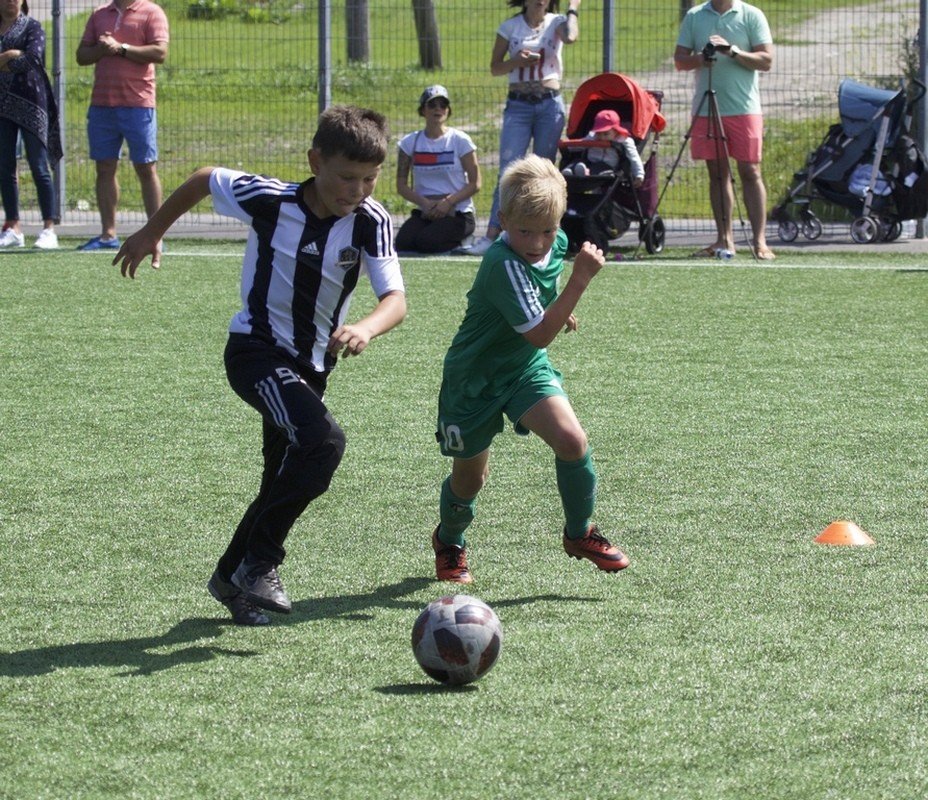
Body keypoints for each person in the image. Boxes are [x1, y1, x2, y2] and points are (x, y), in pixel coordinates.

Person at [112, 106, 407, 625]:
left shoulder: (371, 221)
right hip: (256, 351)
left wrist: (366, 326)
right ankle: (262, 563)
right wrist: (152, 230)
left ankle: (231, 577)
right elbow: (204, 178)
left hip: (311, 369)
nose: (357, 190)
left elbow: (395, 301)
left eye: (369, 178)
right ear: (315, 161)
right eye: (346, 177)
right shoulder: (270, 199)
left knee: (282, 479)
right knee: (324, 442)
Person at [431, 154, 629, 584]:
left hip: (523, 368)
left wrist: (553, 306)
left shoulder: (553, 241)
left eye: (548, 230)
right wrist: (579, 282)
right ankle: (449, 540)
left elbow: (540, 301)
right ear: (502, 221)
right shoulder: (502, 263)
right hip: (474, 380)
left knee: (572, 440)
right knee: (470, 481)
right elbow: (539, 334)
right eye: (525, 231)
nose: (538, 242)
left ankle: (580, 533)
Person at [469, 0, 581, 256]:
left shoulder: (557, 22)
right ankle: (492, 235)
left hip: (549, 104)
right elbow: (495, 67)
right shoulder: (510, 27)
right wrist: (516, 61)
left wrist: (573, 7)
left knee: (545, 172)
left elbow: (571, 37)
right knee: (507, 170)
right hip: (518, 105)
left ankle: (545, 235)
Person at [674, 0, 775, 260]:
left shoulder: (751, 15)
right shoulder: (695, 16)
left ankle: (760, 241)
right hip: (706, 108)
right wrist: (701, 59)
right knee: (718, 174)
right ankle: (725, 240)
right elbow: (680, 60)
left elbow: (766, 60)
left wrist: (732, 52)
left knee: (750, 171)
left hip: (744, 108)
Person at [76, 0, 168, 261]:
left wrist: (121, 48)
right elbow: (82, 56)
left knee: (146, 168)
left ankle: (155, 235)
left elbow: (160, 52)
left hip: (139, 105)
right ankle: (108, 234)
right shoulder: (99, 15)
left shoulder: (151, 12)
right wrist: (101, 49)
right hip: (102, 104)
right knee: (105, 168)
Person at [0, 0, 61, 249]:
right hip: (2, 106)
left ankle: (49, 229)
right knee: (5, 167)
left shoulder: (33, 27)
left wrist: (7, 59)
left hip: (32, 104)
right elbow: (21, 59)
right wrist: (12, 54)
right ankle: (13, 227)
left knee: (39, 166)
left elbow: (33, 59)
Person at [395, 85, 481, 253]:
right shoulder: (409, 143)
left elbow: (475, 183)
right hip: (425, 211)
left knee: (427, 242)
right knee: (403, 243)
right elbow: (401, 186)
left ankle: (463, 242)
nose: (438, 109)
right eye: (432, 105)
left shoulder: (461, 140)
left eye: (443, 105)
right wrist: (425, 204)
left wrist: (447, 203)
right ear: (423, 110)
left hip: (457, 213)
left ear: (448, 110)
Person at [561, 109, 644, 186]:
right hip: (590, 161)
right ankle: (568, 171)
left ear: (616, 131)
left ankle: (585, 173)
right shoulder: (592, 137)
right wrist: (567, 146)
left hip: (607, 166)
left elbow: (634, 157)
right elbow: (581, 145)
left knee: (599, 167)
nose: (602, 137)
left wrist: (639, 174)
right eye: (599, 133)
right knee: (578, 161)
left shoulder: (623, 141)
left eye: (606, 134)